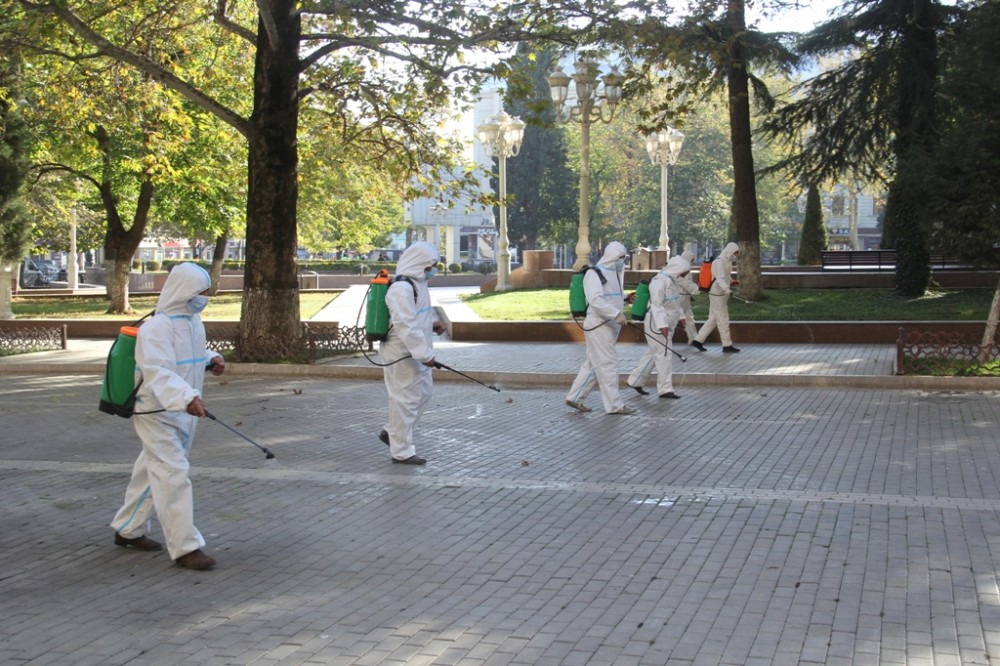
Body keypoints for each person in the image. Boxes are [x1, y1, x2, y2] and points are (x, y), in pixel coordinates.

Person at [110, 262, 226, 571]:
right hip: (155, 411)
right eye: (200, 292)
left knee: (152, 469)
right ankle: (186, 546)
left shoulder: (192, 322)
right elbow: (158, 372)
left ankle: (128, 528)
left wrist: (211, 359)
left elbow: (188, 357)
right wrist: (187, 397)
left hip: (182, 410)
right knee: (172, 473)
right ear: (184, 290)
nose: (204, 298)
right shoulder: (156, 328)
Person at [377, 241, 446, 465]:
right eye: (430, 266)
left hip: (416, 352)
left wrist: (432, 325)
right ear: (419, 264)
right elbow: (405, 325)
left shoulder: (418, 285)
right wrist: (424, 354)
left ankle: (392, 432)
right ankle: (401, 451)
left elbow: (417, 318)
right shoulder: (401, 289)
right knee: (404, 400)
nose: (432, 271)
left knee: (423, 395)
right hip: (401, 353)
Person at [565, 241, 636, 415]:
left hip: (609, 325)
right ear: (612, 256)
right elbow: (596, 301)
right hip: (599, 326)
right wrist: (616, 314)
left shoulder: (614, 273)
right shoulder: (594, 273)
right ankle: (614, 405)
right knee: (608, 364)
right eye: (620, 258)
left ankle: (575, 397)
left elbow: (610, 297)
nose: (622, 261)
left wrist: (626, 300)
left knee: (593, 364)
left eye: (623, 258)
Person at [626, 255, 691, 399]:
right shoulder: (658, 282)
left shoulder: (672, 281)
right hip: (657, 323)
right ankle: (665, 389)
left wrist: (681, 317)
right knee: (664, 355)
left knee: (654, 353)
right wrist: (662, 325)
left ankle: (635, 380)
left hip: (667, 323)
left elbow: (674, 302)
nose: (684, 275)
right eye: (683, 272)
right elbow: (657, 305)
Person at [691, 241, 741, 353]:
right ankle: (727, 345)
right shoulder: (719, 262)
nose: (736, 255)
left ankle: (698, 341)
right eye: (735, 252)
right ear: (730, 251)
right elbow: (719, 279)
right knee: (723, 318)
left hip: (721, 293)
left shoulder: (726, 261)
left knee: (713, 318)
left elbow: (725, 277)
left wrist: (732, 282)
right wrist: (726, 289)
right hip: (717, 293)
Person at [679, 250, 700, 343]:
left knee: (689, 318)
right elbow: (685, 283)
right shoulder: (682, 269)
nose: (692, 262)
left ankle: (694, 338)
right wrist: (696, 290)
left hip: (685, 298)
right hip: (680, 298)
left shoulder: (685, 268)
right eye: (692, 260)